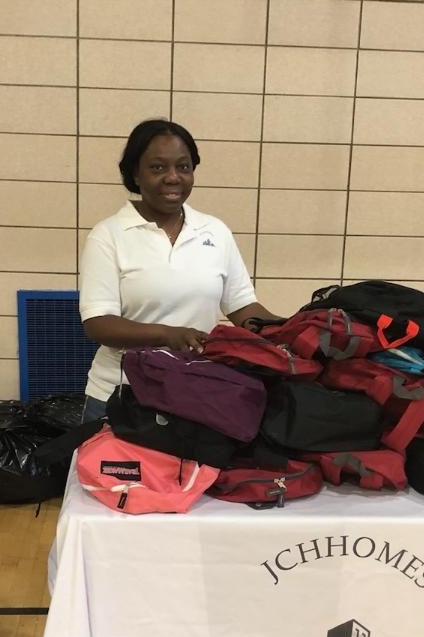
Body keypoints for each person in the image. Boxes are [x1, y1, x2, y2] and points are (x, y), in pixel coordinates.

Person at [79, 119, 281, 422]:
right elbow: (98, 324)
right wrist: (168, 335)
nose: (173, 178)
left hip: (195, 393)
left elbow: (242, 306)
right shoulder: (109, 234)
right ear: (135, 173)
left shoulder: (214, 230)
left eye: (183, 167)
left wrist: (291, 331)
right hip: (121, 395)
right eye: (158, 168)